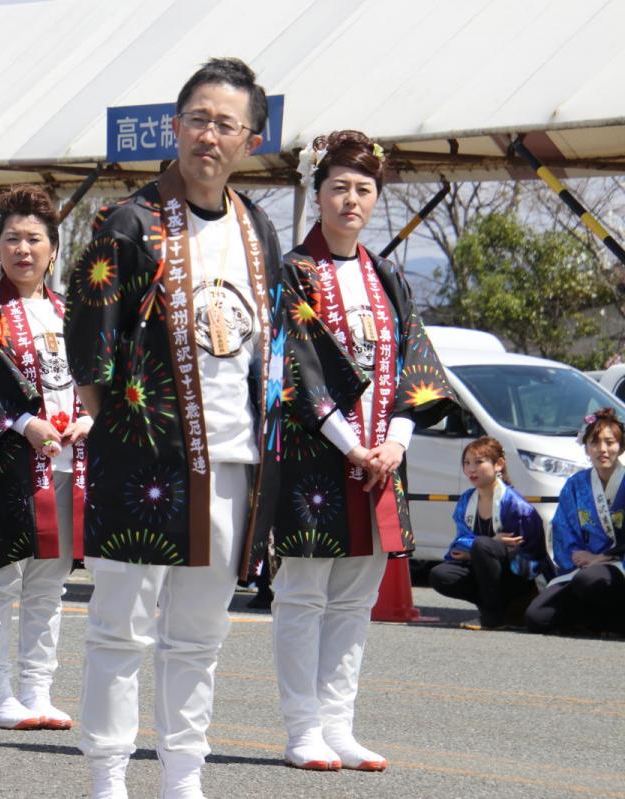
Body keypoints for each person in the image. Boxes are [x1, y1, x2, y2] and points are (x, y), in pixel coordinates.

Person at [64, 57, 285, 799]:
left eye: (226, 124)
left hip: (233, 461)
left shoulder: (259, 230)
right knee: (119, 629)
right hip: (144, 461)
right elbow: (89, 343)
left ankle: (184, 777)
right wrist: (109, 434)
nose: (208, 136)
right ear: (174, 127)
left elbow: (273, 346)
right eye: (197, 119)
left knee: (200, 636)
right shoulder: (128, 221)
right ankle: (106, 776)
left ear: (250, 139)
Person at [272, 129, 457, 772]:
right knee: (302, 594)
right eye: (339, 188)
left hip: (383, 459)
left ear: (376, 200)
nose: (351, 201)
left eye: (364, 190)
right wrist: (353, 444)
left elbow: (415, 363)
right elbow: (294, 369)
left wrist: (397, 442)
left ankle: (338, 725)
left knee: (355, 596)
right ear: (316, 193)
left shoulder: (389, 277)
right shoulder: (294, 272)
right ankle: (302, 729)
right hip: (318, 456)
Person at [0, 185, 87, 731]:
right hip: (9, 466)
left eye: (34, 238)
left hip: (66, 466)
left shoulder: (70, 312)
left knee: (50, 586)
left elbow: (97, 379)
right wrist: (24, 423)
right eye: (12, 239)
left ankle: (37, 690)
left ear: (53, 248)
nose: (23, 249)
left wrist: (89, 418)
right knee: (1, 581)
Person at [428, 437, 553, 630]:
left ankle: (494, 616)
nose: (471, 469)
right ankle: (497, 609)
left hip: (519, 577)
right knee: (441, 574)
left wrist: (485, 549)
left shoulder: (517, 507)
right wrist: (488, 545)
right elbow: (459, 543)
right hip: (484, 566)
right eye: (467, 463)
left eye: (479, 462)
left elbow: (530, 554)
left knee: (483, 546)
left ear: (499, 465)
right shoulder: (466, 500)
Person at [525, 408, 625, 635]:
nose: (603, 449)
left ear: (621, 446)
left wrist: (606, 557)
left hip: (619, 566)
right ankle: (597, 619)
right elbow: (563, 529)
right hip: (585, 568)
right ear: (586, 447)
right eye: (595, 442)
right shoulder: (576, 484)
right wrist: (579, 556)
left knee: (591, 580)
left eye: (610, 442)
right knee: (537, 618)